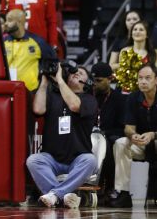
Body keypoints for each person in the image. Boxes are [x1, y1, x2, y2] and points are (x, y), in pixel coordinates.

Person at [27, 64, 98, 209]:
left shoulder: (89, 100)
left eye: (81, 73)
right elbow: (38, 109)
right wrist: (44, 82)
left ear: (88, 82)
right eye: (73, 72)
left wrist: (60, 80)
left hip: (77, 158)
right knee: (33, 160)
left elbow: (74, 106)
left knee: (90, 160)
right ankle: (63, 196)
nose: (76, 73)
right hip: (52, 158)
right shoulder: (53, 97)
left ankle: (54, 195)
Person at [109, 64, 157, 207]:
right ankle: (123, 193)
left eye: (147, 78)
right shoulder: (133, 98)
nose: (143, 81)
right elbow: (128, 128)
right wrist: (133, 136)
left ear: (156, 80)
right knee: (121, 143)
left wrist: (153, 135)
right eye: (140, 78)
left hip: (154, 140)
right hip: (141, 143)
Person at [90, 62, 126, 196]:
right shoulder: (89, 96)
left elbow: (122, 127)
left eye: (99, 81)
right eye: (93, 80)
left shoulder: (119, 99)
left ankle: (109, 186)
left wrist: (102, 134)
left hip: (109, 136)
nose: (95, 84)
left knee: (107, 144)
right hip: (91, 135)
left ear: (110, 79)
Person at [3, 9, 56, 91]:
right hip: (6, 90)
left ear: (19, 22)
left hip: (32, 92)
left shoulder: (38, 42)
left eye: (9, 20)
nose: (6, 23)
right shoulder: (2, 42)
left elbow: (53, 63)